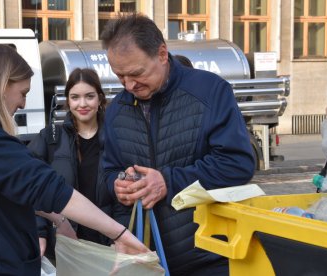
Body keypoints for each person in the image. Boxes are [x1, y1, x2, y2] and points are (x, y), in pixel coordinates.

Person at [0, 44, 149, 275]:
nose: (22, 104)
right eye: (23, 93)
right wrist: (120, 234)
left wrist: (60, 220)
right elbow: (46, 187)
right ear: (2, 84)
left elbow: (11, 187)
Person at [100, 13, 255, 275]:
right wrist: (117, 184)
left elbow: (237, 164)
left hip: (209, 257)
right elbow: (106, 172)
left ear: (162, 54)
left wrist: (168, 182)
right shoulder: (116, 110)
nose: (129, 85)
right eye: (120, 76)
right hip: (145, 260)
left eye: (136, 73)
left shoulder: (210, 91)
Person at [29, 68, 130, 259]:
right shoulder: (50, 138)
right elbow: (33, 188)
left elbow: (124, 196)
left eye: (89, 96)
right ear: (68, 101)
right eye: (75, 97)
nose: (82, 104)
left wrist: (120, 235)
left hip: (108, 244)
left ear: (100, 99)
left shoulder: (117, 137)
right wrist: (40, 232)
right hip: (64, 245)